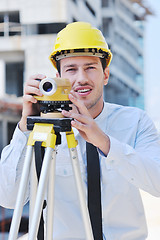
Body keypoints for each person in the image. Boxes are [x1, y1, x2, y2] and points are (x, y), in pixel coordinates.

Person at [0, 21, 160, 240]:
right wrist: (25, 127)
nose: (81, 78)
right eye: (71, 69)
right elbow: (7, 197)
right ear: (58, 78)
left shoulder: (136, 122)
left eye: (90, 67)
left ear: (105, 74)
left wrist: (104, 142)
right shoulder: (44, 129)